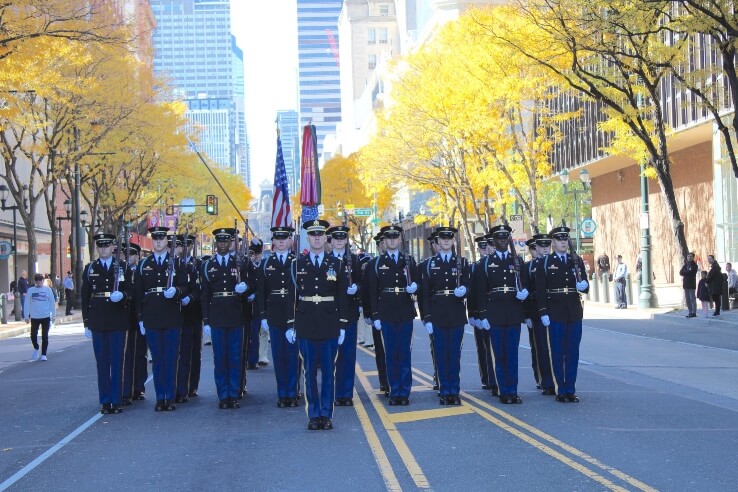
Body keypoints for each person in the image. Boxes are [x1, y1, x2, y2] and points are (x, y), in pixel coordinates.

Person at [290, 219, 349, 430]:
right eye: (313, 235)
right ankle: (313, 414)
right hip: (306, 324)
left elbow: (342, 297)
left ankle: (326, 413)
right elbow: (293, 297)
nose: (316, 238)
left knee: (328, 371)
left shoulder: (337, 264)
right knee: (309, 373)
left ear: (326, 238)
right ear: (308, 238)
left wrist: (342, 325)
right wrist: (291, 325)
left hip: (329, 323)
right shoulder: (297, 264)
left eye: (320, 234)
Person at [135, 226, 190, 412]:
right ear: (153, 241)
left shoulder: (176, 263)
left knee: (171, 358)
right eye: (155, 238)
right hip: (152, 317)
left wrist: (177, 291)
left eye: (161, 238)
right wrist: (141, 318)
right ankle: (160, 397)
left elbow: (185, 286)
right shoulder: (144, 264)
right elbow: (138, 293)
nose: (158, 242)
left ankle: (170, 396)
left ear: (167, 241)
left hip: (172, 316)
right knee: (158, 359)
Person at [474, 224, 528, 404]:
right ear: (494, 241)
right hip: (495, 313)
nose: (503, 240)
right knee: (499, 354)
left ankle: (513, 390)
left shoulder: (517, 261)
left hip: (513, 312)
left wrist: (524, 293)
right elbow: (480, 291)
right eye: (499, 237)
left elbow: (524, 284)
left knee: (512, 354)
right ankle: (503, 390)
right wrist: (483, 315)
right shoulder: (486, 263)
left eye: (506, 237)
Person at [535, 226, 589, 403]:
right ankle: (560, 389)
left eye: (565, 239)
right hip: (555, 311)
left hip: (573, 311)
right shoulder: (545, 262)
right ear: (553, 242)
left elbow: (585, 284)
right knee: (557, 352)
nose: (564, 242)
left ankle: (570, 389)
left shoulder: (576, 260)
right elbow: (540, 290)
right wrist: (542, 311)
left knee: (572, 352)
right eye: (560, 239)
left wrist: (584, 286)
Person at [82, 233, 134, 414]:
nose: (103, 248)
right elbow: (84, 296)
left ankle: (116, 400)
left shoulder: (123, 267)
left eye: (107, 245)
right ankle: (105, 400)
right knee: (102, 362)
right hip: (98, 320)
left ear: (113, 248)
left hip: (117, 319)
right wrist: (86, 322)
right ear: (97, 248)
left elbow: (131, 290)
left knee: (117, 361)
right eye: (100, 245)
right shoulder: (90, 268)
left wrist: (123, 296)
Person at [201, 228, 252, 409]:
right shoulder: (208, 265)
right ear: (216, 244)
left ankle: (234, 392)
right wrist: (206, 320)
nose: (223, 244)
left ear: (231, 243)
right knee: (220, 357)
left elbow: (251, 283)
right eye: (220, 241)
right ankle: (223, 395)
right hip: (216, 316)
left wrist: (245, 287)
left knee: (235, 357)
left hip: (235, 314)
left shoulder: (240, 262)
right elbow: (205, 295)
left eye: (226, 241)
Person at [368, 224, 419, 406]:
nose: (391, 240)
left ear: (399, 240)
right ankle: (393, 390)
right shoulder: (377, 263)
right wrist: (375, 316)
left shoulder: (409, 261)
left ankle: (404, 392)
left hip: (405, 311)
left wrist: (415, 287)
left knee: (404, 353)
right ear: (385, 240)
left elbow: (418, 281)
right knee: (390, 354)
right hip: (386, 312)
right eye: (388, 237)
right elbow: (372, 292)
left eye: (395, 237)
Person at [420, 226, 468, 405]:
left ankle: (454, 391)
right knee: (441, 355)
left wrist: (465, 289)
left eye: (449, 238)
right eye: (443, 238)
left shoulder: (461, 263)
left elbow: (468, 284)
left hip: (455, 314)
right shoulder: (429, 264)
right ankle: (444, 390)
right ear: (438, 242)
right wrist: (426, 317)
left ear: (453, 241)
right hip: (438, 313)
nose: (446, 241)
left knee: (454, 355)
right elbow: (424, 293)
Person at [256, 226, 299, 408]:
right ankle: (282, 393)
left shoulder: (297, 262)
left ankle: (293, 392)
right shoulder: (267, 263)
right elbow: (261, 292)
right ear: (273, 241)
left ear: (290, 241)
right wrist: (263, 316)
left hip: (294, 314)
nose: (281, 241)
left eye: (284, 238)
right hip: (274, 314)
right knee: (279, 356)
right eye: (278, 238)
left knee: (293, 356)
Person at [328, 225, 361, 407]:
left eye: (342, 238)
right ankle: (332, 392)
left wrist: (356, 287)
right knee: (331, 356)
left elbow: (362, 283)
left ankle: (346, 394)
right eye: (336, 238)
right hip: (330, 314)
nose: (339, 241)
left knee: (348, 355)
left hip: (349, 313)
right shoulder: (326, 260)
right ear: (331, 241)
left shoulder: (353, 260)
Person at [522, 234, 555, 395]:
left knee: (556, 348)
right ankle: (545, 381)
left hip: (556, 310)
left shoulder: (556, 263)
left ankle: (557, 380)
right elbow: (527, 292)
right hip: (536, 311)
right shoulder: (529, 267)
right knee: (541, 348)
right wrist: (527, 314)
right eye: (538, 246)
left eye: (546, 245)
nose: (542, 249)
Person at [468, 235, 496, 394]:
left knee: (494, 347)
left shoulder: (495, 265)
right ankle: (486, 377)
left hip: (494, 311)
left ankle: (493, 378)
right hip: (480, 313)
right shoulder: (475, 266)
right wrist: (472, 314)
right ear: (478, 249)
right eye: (483, 247)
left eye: (488, 246)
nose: (486, 249)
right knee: (483, 347)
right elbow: (473, 293)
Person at [417, 232, 441, 392]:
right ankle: (438, 376)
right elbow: (422, 294)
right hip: (434, 312)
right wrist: (426, 316)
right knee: (437, 347)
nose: (438, 246)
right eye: (436, 243)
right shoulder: (424, 265)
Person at [24, 273, 56, 362]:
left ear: (43, 281)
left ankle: (43, 354)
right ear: (35, 281)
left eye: (40, 281)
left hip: (45, 316)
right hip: (34, 316)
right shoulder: (30, 290)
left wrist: (53, 315)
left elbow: (52, 303)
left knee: (45, 336)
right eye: (37, 282)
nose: (39, 283)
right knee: (33, 335)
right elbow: (26, 303)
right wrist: (26, 315)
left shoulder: (48, 290)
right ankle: (36, 347)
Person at [679, 252, 698, 318]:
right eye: (688, 256)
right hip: (686, 284)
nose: (689, 257)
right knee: (687, 299)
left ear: (693, 257)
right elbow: (681, 272)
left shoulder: (694, 265)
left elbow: (692, 272)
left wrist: (686, 272)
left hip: (691, 284)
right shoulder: (685, 265)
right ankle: (690, 311)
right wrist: (687, 272)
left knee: (692, 298)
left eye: (690, 256)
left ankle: (694, 312)